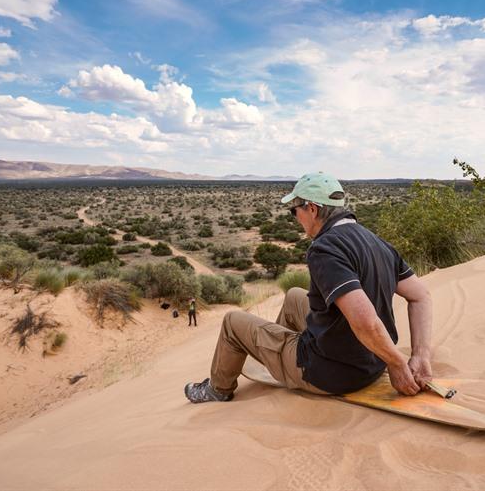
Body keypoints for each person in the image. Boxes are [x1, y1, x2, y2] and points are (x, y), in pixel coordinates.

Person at [184, 172, 433, 403]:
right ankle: (277, 362)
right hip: (373, 362)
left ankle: (217, 390)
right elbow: (421, 296)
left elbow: (365, 321)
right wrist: (420, 355)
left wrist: (398, 364)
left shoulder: (325, 249)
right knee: (294, 296)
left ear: (312, 209)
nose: (295, 219)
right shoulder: (376, 242)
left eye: (295, 211)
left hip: (332, 373)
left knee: (232, 322)